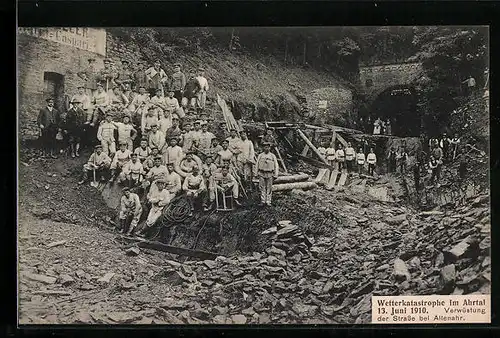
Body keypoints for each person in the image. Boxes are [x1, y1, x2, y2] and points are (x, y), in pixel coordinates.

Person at [254, 142, 279, 207]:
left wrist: (276, 174)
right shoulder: (260, 155)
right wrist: (256, 173)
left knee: (269, 188)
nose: (266, 148)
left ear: (270, 148)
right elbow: (257, 164)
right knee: (262, 187)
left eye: (268, 147)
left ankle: (268, 201)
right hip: (262, 173)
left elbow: (276, 165)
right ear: (263, 148)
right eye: (265, 147)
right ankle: (263, 201)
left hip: (270, 173)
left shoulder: (272, 156)